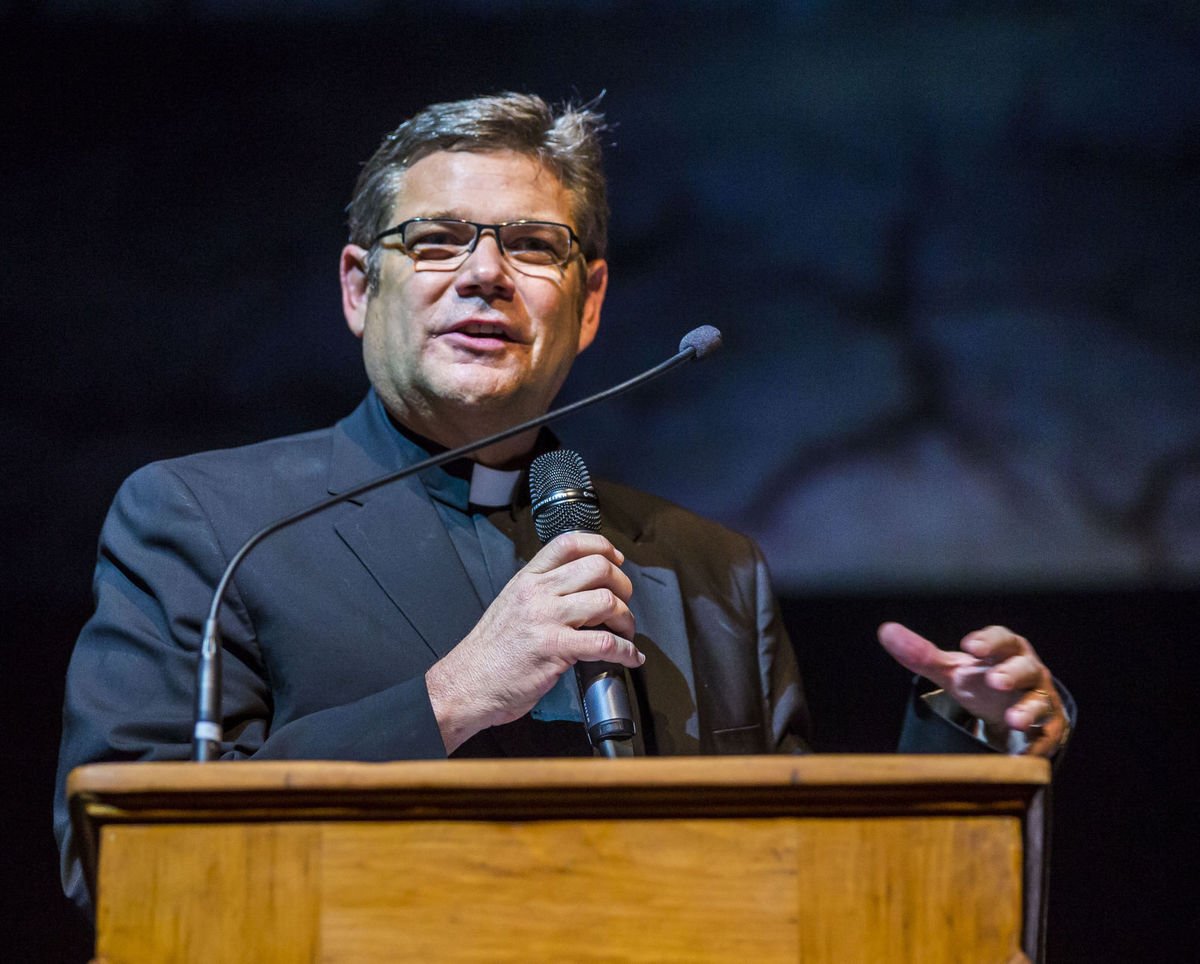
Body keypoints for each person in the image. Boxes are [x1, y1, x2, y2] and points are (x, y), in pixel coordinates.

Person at [53, 92, 1071, 911]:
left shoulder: (711, 567)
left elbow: (798, 883)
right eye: (440, 239)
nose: (486, 273)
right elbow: (116, 861)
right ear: (361, 288)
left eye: (534, 246)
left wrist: (971, 737)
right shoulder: (208, 522)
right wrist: (454, 696)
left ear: (587, 304)